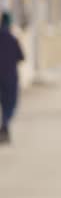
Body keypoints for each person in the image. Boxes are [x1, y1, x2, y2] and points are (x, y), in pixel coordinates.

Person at [0, 12, 24, 144]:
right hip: (10, 77)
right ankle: (4, 125)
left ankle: (4, 128)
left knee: (4, 104)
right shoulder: (12, 39)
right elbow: (21, 57)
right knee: (10, 104)